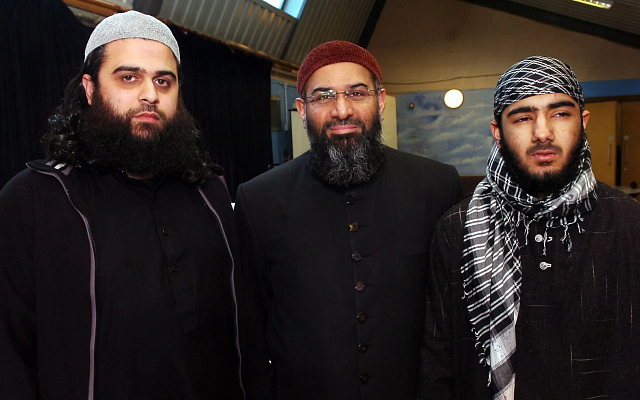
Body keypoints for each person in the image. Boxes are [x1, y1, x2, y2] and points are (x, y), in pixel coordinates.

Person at [0, 11, 271, 399]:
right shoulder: (33, 200)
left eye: (163, 81)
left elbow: (247, 329)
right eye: (129, 77)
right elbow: (9, 357)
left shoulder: (208, 192)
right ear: (89, 89)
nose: (150, 94)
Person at [234, 40, 463, 399]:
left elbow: (451, 318)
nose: (342, 110)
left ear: (381, 101)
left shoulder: (436, 186)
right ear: (302, 110)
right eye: (323, 96)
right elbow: (252, 326)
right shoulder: (259, 199)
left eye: (357, 93)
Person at [418, 56, 640, 400]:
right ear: (497, 132)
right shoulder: (457, 228)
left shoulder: (628, 222)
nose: (543, 133)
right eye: (523, 117)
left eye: (560, 113)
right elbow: (438, 362)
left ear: (583, 122)